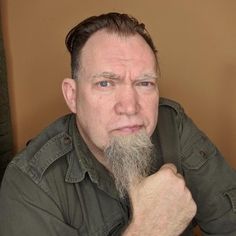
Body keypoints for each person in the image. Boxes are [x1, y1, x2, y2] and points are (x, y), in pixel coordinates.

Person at [0, 12, 235, 236]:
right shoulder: (29, 183)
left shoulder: (173, 124)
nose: (130, 107)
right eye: (105, 83)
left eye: (144, 83)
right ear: (72, 95)